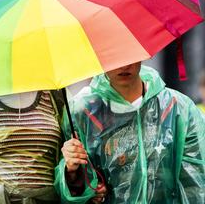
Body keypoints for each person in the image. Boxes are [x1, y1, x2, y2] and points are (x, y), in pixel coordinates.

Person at [55, 62, 205, 203]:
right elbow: (79, 188)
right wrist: (75, 174)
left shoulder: (177, 108)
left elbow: (195, 180)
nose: (124, 65)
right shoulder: (83, 114)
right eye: (114, 57)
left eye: (129, 57)